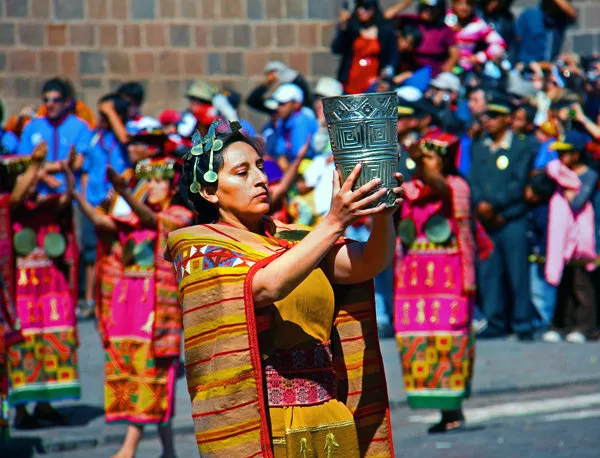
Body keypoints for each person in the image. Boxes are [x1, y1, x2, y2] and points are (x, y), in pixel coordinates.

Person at [166, 120, 400, 456]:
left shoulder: (293, 238)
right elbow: (263, 287)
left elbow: (366, 264)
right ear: (209, 191)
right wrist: (334, 221)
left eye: (260, 167)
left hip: (330, 413)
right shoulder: (198, 248)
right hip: (263, 425)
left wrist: (382, 210)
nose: (261, 179)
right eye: (242, 172)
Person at [66, 156, 193, 458]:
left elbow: (153, 221)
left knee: (153, 376)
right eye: (150, 181)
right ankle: (169, 450)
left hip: (156, 312)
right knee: (136, 374)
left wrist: (124, 192)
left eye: (160, 181)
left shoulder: (179, 216)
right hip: (126, 309)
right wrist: (75, 194)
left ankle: (128, 448)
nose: (153, 186)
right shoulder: (131, 220)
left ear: (173, 187)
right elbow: (100, 222)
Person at [395, 130, 491, 433]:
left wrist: (422, 165)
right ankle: (442, 409)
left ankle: (453, 409)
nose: (426, 163)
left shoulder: (457, 186)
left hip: (450, 277)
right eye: (424, 158)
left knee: (449, 342)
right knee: (416, 342)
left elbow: (441, 187)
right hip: (412, 279)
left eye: (433, 157)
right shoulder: (412, 187)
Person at [7, 142, 81, 429]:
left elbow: (67, 198)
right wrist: (36, 165)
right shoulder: (11, 208)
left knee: (52, 342)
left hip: (52, 288)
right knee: (23, 344)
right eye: (31, 176)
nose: (36, 180)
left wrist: (69, 173)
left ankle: (45, 404)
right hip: (22, 290)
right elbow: (15, 198)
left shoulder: (48, 207)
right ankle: (22, 410)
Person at [469, 94, 535, 339]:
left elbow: (518, 183)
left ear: (508, 119)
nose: (490, 121)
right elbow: (473, 180)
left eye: (496, 117)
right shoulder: (480, 145)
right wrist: (481, 206)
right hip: (486, 220)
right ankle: (495, 321)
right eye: (488, 116)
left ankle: (522, 323)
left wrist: (494, 206)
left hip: (511, 218)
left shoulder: (521, 145)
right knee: (489, 272)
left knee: (517, 272)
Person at [77, 94, 133, 319]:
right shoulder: (93, 137)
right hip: (94, 202)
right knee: (91, 253)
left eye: (105, 114)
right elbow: (85, 169)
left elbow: (126, 140)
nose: (100, 117)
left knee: (118, 252)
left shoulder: (123, 135)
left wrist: (111, 112)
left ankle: (117, 297)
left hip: (118, 203)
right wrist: (83, 199)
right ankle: (90, 299)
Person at [544, 132, 597, 344]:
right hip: (561, 238)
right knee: (563, 283)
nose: (560, 157)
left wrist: (566, 184)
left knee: (582, 284)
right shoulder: (558, 172)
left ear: (576, 154)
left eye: (564, 153)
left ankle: (585, 326)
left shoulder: (589, 175)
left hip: (583, 238)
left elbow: (578, 202)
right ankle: (561, 325)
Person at [16, 78, 92, 197]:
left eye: (55, 100)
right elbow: (23, 162)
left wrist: (45, 168)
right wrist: (44, 176)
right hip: (38, 194)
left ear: (66, 102)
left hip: (69, 195)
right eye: (46, 100)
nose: (49, 104)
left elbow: (78, 163)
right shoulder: (32, 127)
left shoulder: (80, 127)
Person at [332, 0, 398, 94]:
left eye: (365, 8)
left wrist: (386, 74)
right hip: (352, 79)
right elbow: (336, 49)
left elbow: (392, 56)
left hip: (373, 81)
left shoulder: (385, 31)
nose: (361, 11)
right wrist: (342, 27)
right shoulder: (352, 29)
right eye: (359, 8)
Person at [387, 0, 459, 77]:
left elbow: (455, 53)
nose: (428, 11)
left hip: (434, 75)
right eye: (425, 7)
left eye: (432, 9)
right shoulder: (410, 21)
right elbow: (385, 18)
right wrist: (405, 3)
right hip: (408, 73)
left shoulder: (444, 29)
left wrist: (448, 66)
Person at [446, 0, 507, 72]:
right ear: (453, 4)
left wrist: (479, 57)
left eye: (468, 4)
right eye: (460, 4)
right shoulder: (444, 19)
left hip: (464, 69)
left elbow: (500, 44)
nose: (464, 8)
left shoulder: (477, 24)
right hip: (441, 68)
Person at [514, 0, 577, 64]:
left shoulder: (560, 22)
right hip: (528, 67)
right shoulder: (529, 16)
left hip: (550, 68)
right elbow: (516, 41)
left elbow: (572, 15)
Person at [272, 84, 318, 168]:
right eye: (278, 103)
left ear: (296, 104)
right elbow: (280, 153)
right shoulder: (282, 121)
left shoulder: (302, 119)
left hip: (309, 164)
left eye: (282, 104)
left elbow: (299, 155)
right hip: (292, 164)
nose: (278, 107)